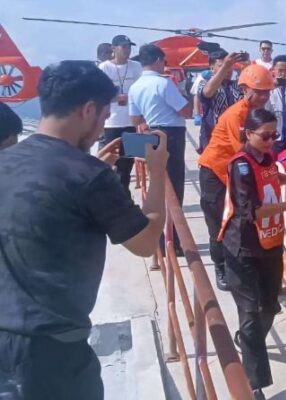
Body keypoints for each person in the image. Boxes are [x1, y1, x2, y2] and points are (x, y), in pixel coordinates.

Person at [0, 60, 168, 400]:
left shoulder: (9, 160)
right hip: (50, 355)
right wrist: (157, 171)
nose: (102, 127)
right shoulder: (89, 175)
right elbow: (146, 242)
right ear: (89, 110)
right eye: (104, 118)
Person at [219, 108, 286, 400]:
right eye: (265, 135)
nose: (271, 140)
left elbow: (270, 177)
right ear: (249, 134)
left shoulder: (268, 157)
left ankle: (248, 341)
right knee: (249, 314)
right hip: (242, 247)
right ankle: (252, 384)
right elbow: (252, 211)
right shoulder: (240, 165)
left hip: (269, 244)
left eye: (275, 135)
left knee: (269, 307)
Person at [198, 64, 275, 290]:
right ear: (244, 89)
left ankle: (244, 266)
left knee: (241, 221)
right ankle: (220, 267)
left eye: (267, 92)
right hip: (215, 172)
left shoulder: (257, 115)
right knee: (218, 223)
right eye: (259, 92)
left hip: (235, 172)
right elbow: (243, 151)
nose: (264, 97)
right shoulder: (236, 115)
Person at [129, 44, 188, 211]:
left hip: (149, 132)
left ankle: (159, 220)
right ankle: (174, 224)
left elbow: (134, 119)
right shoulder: (163, 83)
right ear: (157, 60)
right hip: (171, 134)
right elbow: (186, 111)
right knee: (174, 180)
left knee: (155, 179)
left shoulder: (134, 87)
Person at [99, 34, 143, 197]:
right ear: (114, 48)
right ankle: (117, 195)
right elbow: (99, 94)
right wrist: (116, 98)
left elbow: (141, 90)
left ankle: (124, 194)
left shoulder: (136, 66)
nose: (127, 50)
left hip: (132, 121)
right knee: (113, 162)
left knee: (128, 162)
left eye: (129, 47)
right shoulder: (104, 68)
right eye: (123, 47)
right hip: (112, 123)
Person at [197, 50, 246, 152]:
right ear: (212, 68)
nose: (228, 69)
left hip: (235, 138)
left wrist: (247, 66)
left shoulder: (236, 85)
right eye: (221, 65)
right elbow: (207, 92)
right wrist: (225, 66)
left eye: (230, 65)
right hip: (213, 139)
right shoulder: (204, 83)